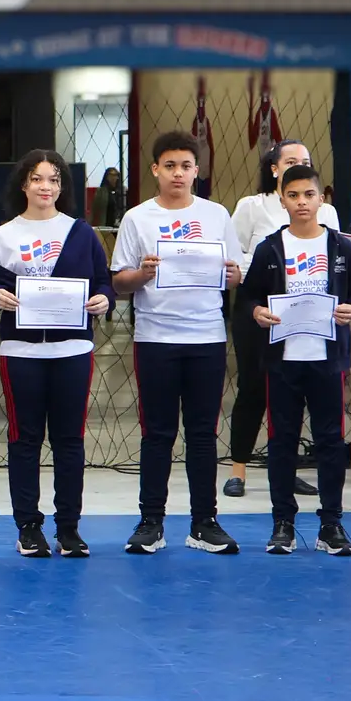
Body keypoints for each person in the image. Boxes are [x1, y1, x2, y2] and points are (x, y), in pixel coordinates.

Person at [0, 149, 115, 559]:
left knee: (70, 440)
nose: (45, 186)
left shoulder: (81, 233)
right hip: (21, 352)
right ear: (24, 184)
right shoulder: (3, 234)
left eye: (54, 179)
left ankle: (68, 528)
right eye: (37, 178)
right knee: (24, 440)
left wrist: (104, 300)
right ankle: (29, 528)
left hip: (73, 349)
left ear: (62, 187)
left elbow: (104, 283)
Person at [110, 131, 243, 555]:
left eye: (185, 166)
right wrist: (143, 274)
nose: (178, 173)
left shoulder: (217, 215)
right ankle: (151, 522)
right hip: (156, 338)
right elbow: (119, 282)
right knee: (157, 434)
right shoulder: (137, 218)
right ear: (155, 170)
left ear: (196, 171)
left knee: (202, 434)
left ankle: (204, 523)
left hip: (207, 337)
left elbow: (236, 273)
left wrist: (232, 275)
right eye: (169, 166)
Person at [240, 164, 351, 555]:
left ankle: (331, 524)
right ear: (283, 200)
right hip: (284, 361)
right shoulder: (270, 248)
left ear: (321, 198)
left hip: (327, 360)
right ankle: (283, 523)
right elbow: (247, 296)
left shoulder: (341, 248)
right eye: (293, 196)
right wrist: (257, 312)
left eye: (309, 195)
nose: (302, 202)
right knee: (282, 441)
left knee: (330, 441)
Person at [225, 139, 335, 500]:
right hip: (259, 310)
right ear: (274, 169)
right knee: (254, 387)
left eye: (304, 160)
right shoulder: (252, 206)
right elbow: (233, 253)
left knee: (294, 390)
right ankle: (238, 469)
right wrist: (261, 269)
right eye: (289, 161)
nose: (297, 165)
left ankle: (286, 469)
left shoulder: (327, 212)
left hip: (306, 314)